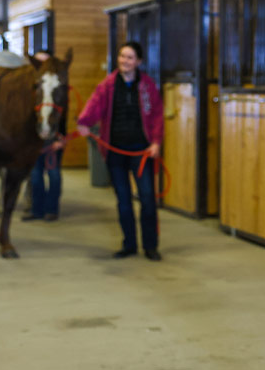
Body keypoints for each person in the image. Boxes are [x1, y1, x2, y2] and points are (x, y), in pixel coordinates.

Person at [77, 41, 164, 261]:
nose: (125, 61)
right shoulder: (107, 85)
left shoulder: (148, 85)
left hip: (141, 152)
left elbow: (156, 115)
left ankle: (150, 246)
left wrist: (155, 142)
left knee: (147, 199)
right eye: (122, 56)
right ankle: (129, 244)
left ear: (139, 62)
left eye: (130, 57)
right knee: (123, 200)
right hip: (115, 151)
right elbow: (94, 105)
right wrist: (84, 122)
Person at [23, 50, 66, 222]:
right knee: (35, 176)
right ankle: (37, 209)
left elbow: (63, 113)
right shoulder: (31, 89)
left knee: (54, 175)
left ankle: (52, 209)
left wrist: (61, 137)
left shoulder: (58, 88)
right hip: (35, 139)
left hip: (53, 138)